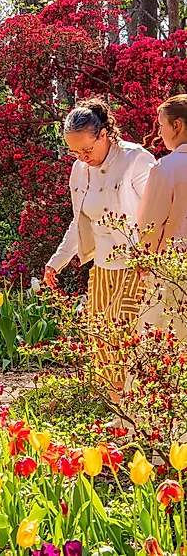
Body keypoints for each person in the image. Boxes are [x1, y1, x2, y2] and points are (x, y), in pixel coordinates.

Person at [43, 97, 155, 394]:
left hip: (137, 265)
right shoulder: (80, 171)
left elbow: (158, 214)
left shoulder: (136, 159)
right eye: (75, 151)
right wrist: (57, 261)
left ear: (104, 134)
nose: (82, 156)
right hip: (103, 268)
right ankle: (117, 412)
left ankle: (137, 410)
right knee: (102, 343)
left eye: (87, 149)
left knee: (128, 339)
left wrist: (151, 258)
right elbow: (80, 222)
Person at [136, 94, 187, 337]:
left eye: (161, 125)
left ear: (177, 126)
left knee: (166, 342)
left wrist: (143, 263)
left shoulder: (165, 168)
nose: (159, 132)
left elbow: (150, 224)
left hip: (172, 269)